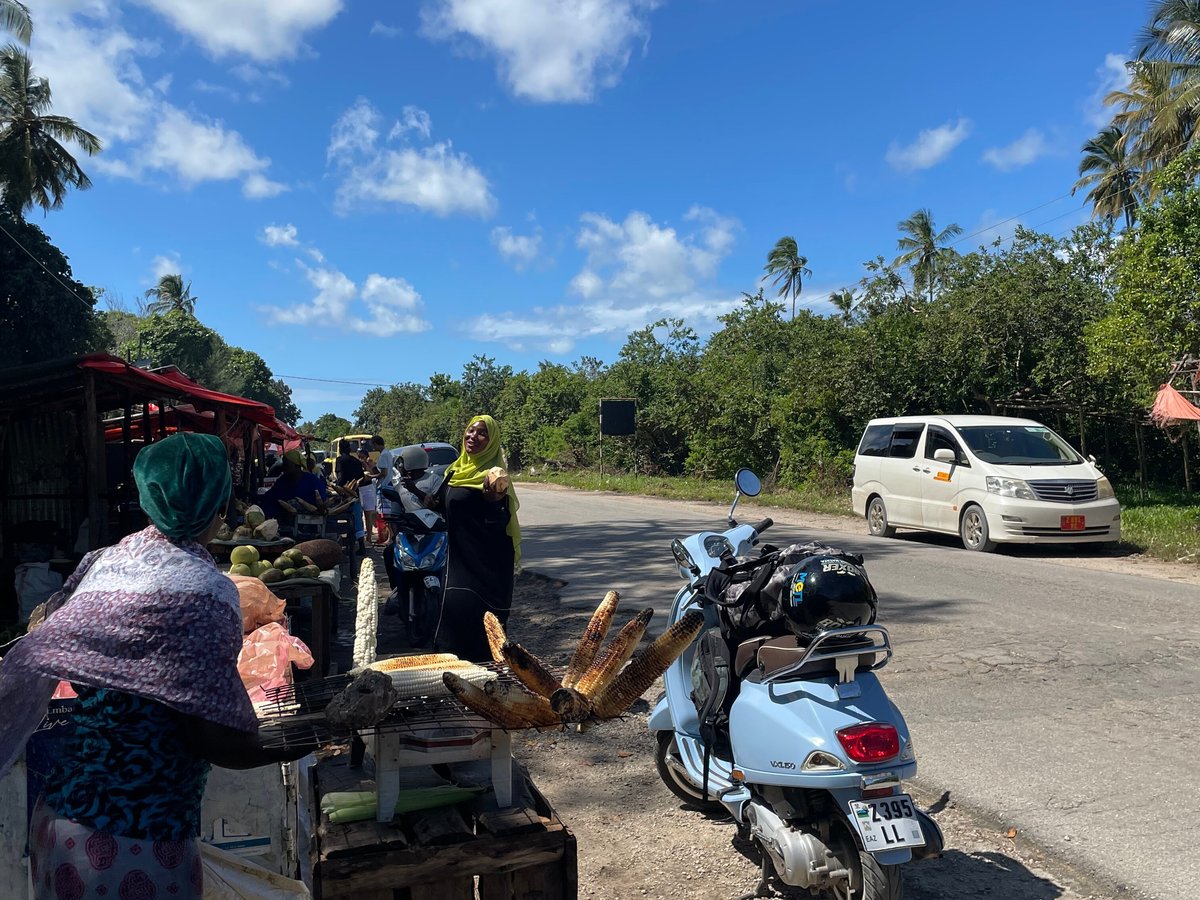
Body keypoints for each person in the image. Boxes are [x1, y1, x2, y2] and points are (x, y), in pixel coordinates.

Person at [0, 433, 315, 900]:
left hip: (59, 826)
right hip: (136, 845)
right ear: (219, 504)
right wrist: (306, 737)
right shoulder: (209, 593)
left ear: (147, 498)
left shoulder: (103, 562)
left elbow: (49, 625)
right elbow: (209, 737)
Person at [431, 415, 521, 662]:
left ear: (492, 442)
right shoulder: (455, 471)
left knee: (482, 637)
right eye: (471, 431)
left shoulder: (492, 476)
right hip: (457, 561)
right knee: (449, 625)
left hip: (485, 567)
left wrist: (494, 505)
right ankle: (454, 689)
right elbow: (445, 505)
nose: (474, 437)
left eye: (483, 433)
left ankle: (485, 691)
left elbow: (499, 525)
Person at [258, 448, 328, 519]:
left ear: (296, 465)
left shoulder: (313, 481)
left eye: (286, 463)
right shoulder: (282, 481)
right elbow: (270, 496)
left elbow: (322, 503)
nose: (283, 466)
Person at [334, 443, 367, 547]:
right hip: (355, 493)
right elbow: (361, 478)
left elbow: (340, 477)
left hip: (344, 494)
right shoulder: (356, 461)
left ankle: (339, 542)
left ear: (340, 450)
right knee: (357, 518)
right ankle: (361, 545)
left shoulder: (340, 460)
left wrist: (339, 488)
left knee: (337, 516)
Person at [356, 450, 380, 544]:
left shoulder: (370, 464)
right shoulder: (357, 464)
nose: (360, 459)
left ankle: (369, 537)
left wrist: (366, 465)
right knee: (360, 514)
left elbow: (371, 475)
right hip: (360, 488)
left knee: (368, 514)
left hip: (368, 489)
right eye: (359, 457)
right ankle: (362, 536)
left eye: (362, 457)